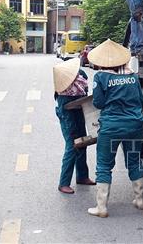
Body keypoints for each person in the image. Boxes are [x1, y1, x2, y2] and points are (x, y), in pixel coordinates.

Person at [86, 39, 143, 218]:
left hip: (111, 127)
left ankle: (102, 208)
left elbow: (98, 103)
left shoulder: (101, 77)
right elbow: (141, 101)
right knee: (134, 161)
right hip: (134, 125)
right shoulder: (132, 76)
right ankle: (139, 200)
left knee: (104, 166)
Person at [52, 58, 95, 194]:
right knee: (72, 145)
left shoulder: (81, 74)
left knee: (82, 142)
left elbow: (85, 89)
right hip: (67, 114)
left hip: (79, 110)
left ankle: (82, 176)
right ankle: (63, 182)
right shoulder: (62, 84)